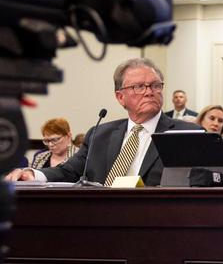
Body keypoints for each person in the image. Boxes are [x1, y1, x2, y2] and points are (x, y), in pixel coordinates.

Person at [6, 58, 200, 186]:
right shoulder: (100, 134)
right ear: (120, 97)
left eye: (156, 86)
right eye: (139, 86)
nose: (150, 91)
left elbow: (200, 185)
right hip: (102, 222)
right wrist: (32, 174)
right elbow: (69, 171)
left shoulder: (187, 134)